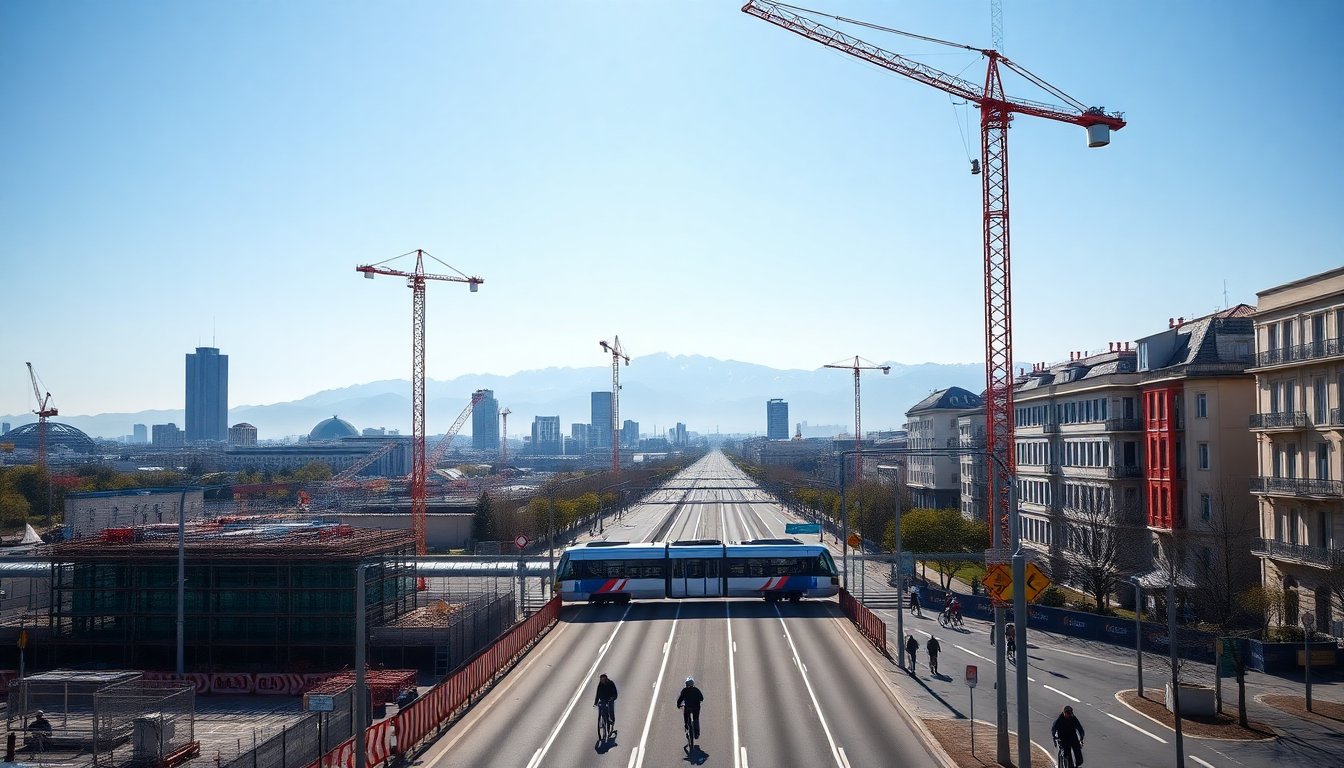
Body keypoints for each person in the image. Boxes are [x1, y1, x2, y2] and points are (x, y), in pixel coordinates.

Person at [676, 677, 703, 741]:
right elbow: (701, 698)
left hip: (688, 707)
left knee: (686, 716)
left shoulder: (684, 690)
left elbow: (680, 699)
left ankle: (686, 726)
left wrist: (678, 705)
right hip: (696, 708)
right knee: (696, 719)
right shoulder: (696, 690)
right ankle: (696, 734)